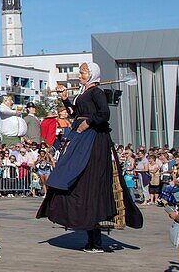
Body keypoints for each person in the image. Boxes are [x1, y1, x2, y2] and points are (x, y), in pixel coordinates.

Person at [36, 63, 142, 252]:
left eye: (83, 72)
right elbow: (75, 114)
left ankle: (96, 240)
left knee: (89, 184)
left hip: (93, 140)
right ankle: (91, 237)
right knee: (72, 178)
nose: (80, 75)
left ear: (92, 75)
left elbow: (104, 114)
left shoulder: (96, 92)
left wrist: (88, 123)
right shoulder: (83, 94)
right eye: (81, 72)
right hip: (80, 139)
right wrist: (65, 100)